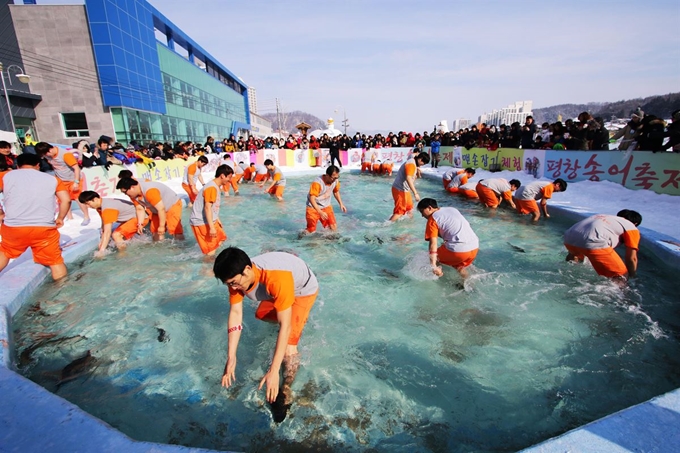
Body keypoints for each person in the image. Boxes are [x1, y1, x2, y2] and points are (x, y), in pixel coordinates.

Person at [213, 247, 319, 416]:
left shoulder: (277, 279)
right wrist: (231, 356)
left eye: (234, 283)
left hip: (302, 290)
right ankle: (285, 310)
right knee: (261, 315)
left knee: (289, 345)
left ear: (247, 270)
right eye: (228, 284)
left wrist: (273, 370)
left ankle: (286, 388)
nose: (233, 287)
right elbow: (235, 313)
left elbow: (285, 326)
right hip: (279, 288)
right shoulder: (236, 278)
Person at [0, 153, 70, 280]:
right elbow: (66, 200)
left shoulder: (5, 176)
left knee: (4, 252)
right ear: (38, 165)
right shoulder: (52, 179)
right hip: (44, 228)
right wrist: (60, 218)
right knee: (55, 262)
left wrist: (1, 213)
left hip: (14, 227)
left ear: (17, 165)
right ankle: (63, 292)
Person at [564, 210, 642, 280]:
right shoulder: (631, 227)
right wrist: (632, 277)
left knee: (576, 256)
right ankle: (620, 294)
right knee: (621, 275)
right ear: (635, 223)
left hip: (569, 237)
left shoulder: (604, 217)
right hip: (593, 242)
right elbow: (631, 258)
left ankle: (566, 274)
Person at [417, 198, 479, 279]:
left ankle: (440, 279)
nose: (422, 215)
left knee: (433, 257)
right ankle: (468, 285)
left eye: (422, 211)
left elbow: (433, 244)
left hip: (458, 251)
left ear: (429, 208)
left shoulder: (432, 219)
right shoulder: (452, 209)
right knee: (458, 265)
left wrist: (433, 265)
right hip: (474, 247)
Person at [35, 142, 91, 226]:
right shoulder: (47, 156)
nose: (46, 155)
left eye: (46, 153)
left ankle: (86, 217)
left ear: (50, 149)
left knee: (78, 198)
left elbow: (76, 168)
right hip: (61, 180)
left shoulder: (65, 155)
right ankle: (69, 217)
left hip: (73, 179)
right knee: (63, 199)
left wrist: (76, 182)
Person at [78, 190, 148, 256]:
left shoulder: (108, 208)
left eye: (88, 204)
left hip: (141, 218)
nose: (88, 207)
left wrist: (101, 251)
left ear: (95, 199)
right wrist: (102, 241)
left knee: (116, 235)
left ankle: (123, 254)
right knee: (112, 236)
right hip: (131, 218)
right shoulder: (100, 205)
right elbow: (104, 223)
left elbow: (108, 231)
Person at [116, 178, 185, 241]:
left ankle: (181, 247)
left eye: (125, 192)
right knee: (155, 232)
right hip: (156, 209)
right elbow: (140, 209)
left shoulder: (150, 192)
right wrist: (140, 224)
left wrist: (161, 226)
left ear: (132, 187)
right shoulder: (133, 195)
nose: (125, 194)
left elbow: (161, 209)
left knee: (175, 230)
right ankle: (160, 249)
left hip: (171, 205)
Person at [190, 164, 233, 255]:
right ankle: (208, 267)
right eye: (229, 177)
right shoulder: (211, 188)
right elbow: (207, 207)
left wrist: (217, 218)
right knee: (210, 251)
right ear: (222, 176)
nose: (230, 180)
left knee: (222, 238)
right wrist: (212, 228)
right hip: (201, 222)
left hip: (210, 220)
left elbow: (212, 207)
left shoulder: (215, 186)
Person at [303, 165, 347, 234]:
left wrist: (341, 204)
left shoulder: (335, 181)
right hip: (313, 207)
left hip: (326, 206)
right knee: (311, 230)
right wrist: (319, 211)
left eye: (337, 177)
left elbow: (336, 191)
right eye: (333, 178)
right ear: (327, 175)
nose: (335, 180)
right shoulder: (317, 183)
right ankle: (300, 236)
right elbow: (312, 198)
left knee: (333, 227)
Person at [389, 152, 430, 221]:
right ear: (420, 159)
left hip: (405, 190)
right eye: (424, 163)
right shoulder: (411, 164)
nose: (422, 165)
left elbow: (413, 155)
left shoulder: (413, 161)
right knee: (399, 212)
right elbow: (408, 178)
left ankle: (409, 226)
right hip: (400, 189)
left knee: (410, 209)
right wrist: (415, 193)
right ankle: (386, 226)